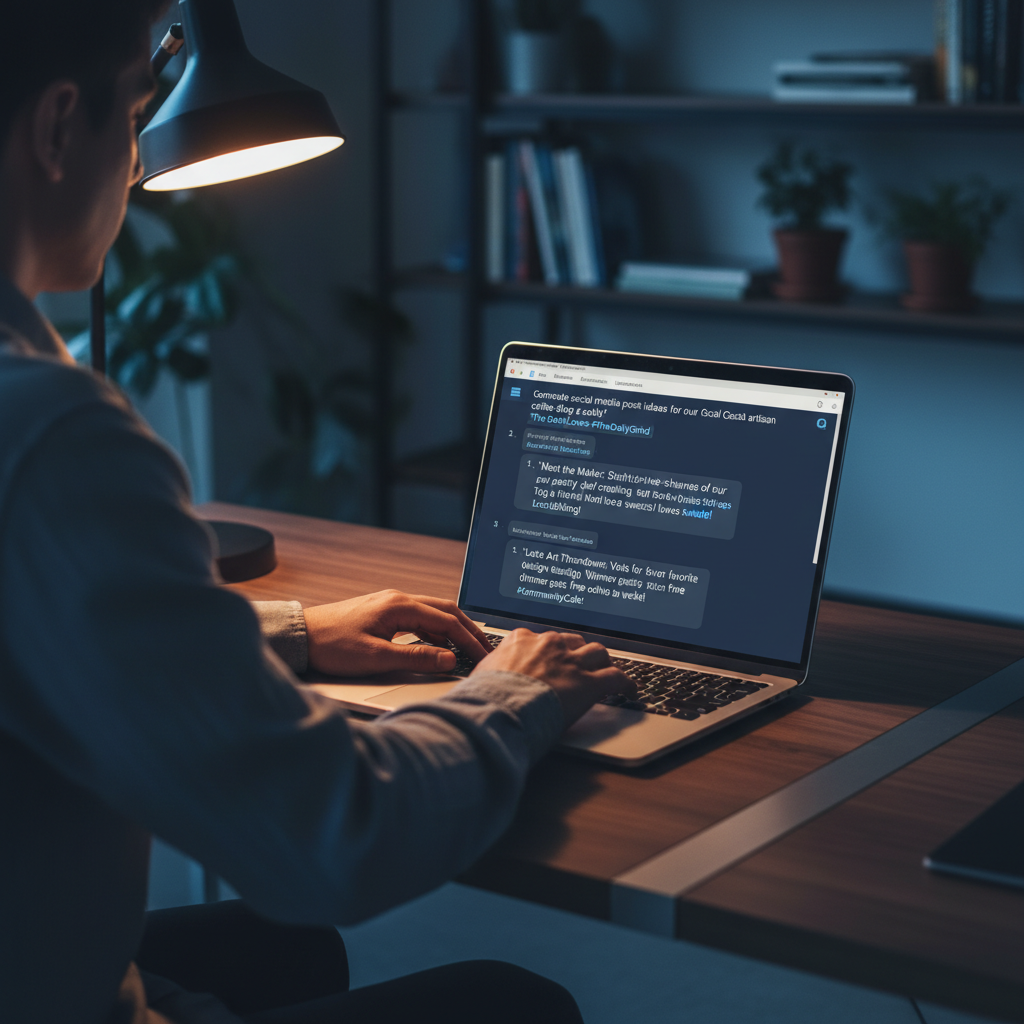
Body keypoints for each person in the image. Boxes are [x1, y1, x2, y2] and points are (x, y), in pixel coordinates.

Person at [0, 3, 633, 1023]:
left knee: (286, 953)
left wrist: (291, 632)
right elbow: (332, 840)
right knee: (514, 1001)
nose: (134, 166)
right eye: (132, 110)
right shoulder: (49, 432)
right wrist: (514, 694)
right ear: (59, 124)